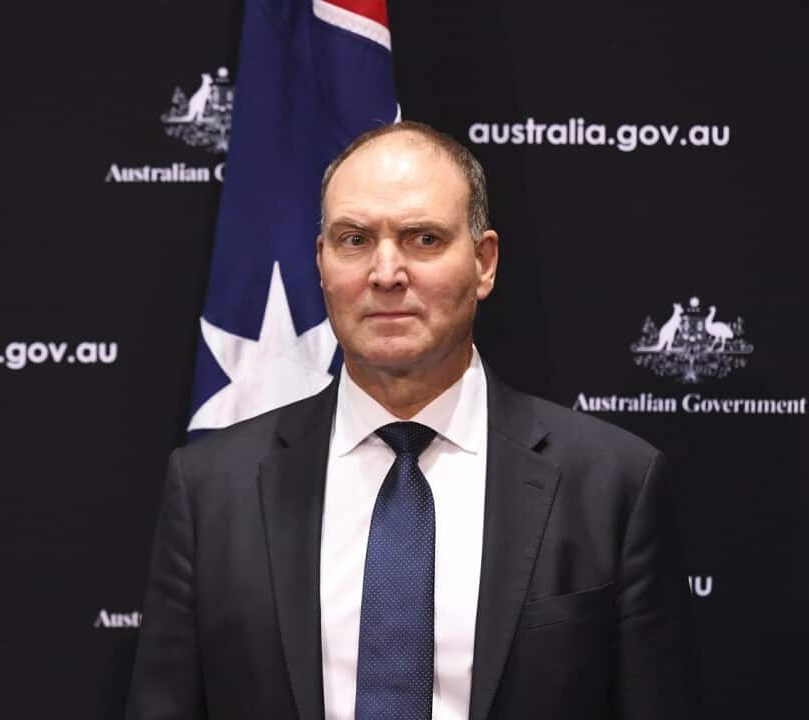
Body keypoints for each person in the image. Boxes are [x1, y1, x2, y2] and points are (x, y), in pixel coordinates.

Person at [126, 121, 695, 720]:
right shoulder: (212, 489)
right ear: (321, 264)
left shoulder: (613, 485)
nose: (387, 272)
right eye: (354, 240)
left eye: (423, 239)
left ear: (484, 262)